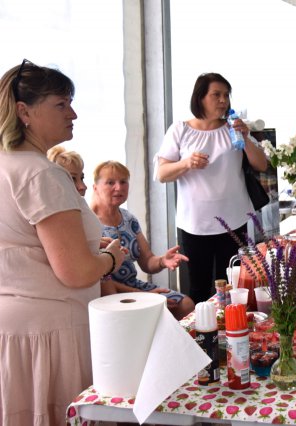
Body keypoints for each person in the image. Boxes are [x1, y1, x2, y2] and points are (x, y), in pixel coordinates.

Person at [0, 60, 125, 425]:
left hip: (16, 331)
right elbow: (76, 272)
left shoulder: (7, 165)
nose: (73, 113)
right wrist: (109, 257)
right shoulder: (42, 173)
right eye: (61, 104)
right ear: (24, 111)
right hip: (51, 333)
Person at [155, 72, 268, 305]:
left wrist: (246, 138)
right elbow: (161, 173)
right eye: (216, 94)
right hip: (195, 223)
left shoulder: (234, 128)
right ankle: (203, 336)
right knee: (199, 286)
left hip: (234, 219)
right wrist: (187, 163)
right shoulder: (181, 129)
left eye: (226, 95)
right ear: (200, 98)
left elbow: (261, 164)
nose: (223, 100)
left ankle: (234, 335)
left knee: (234, 285)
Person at [92, 161, 195, 319]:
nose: (118, 187)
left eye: (123, 181)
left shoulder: (128, 218)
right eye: (110, 182)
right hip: (107, 293)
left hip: (133, 286)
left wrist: (162, 261)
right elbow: (102, 282)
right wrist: (145, 297)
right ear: (95, 187)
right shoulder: (89, 223)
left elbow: (147, 261)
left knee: (185, 305)